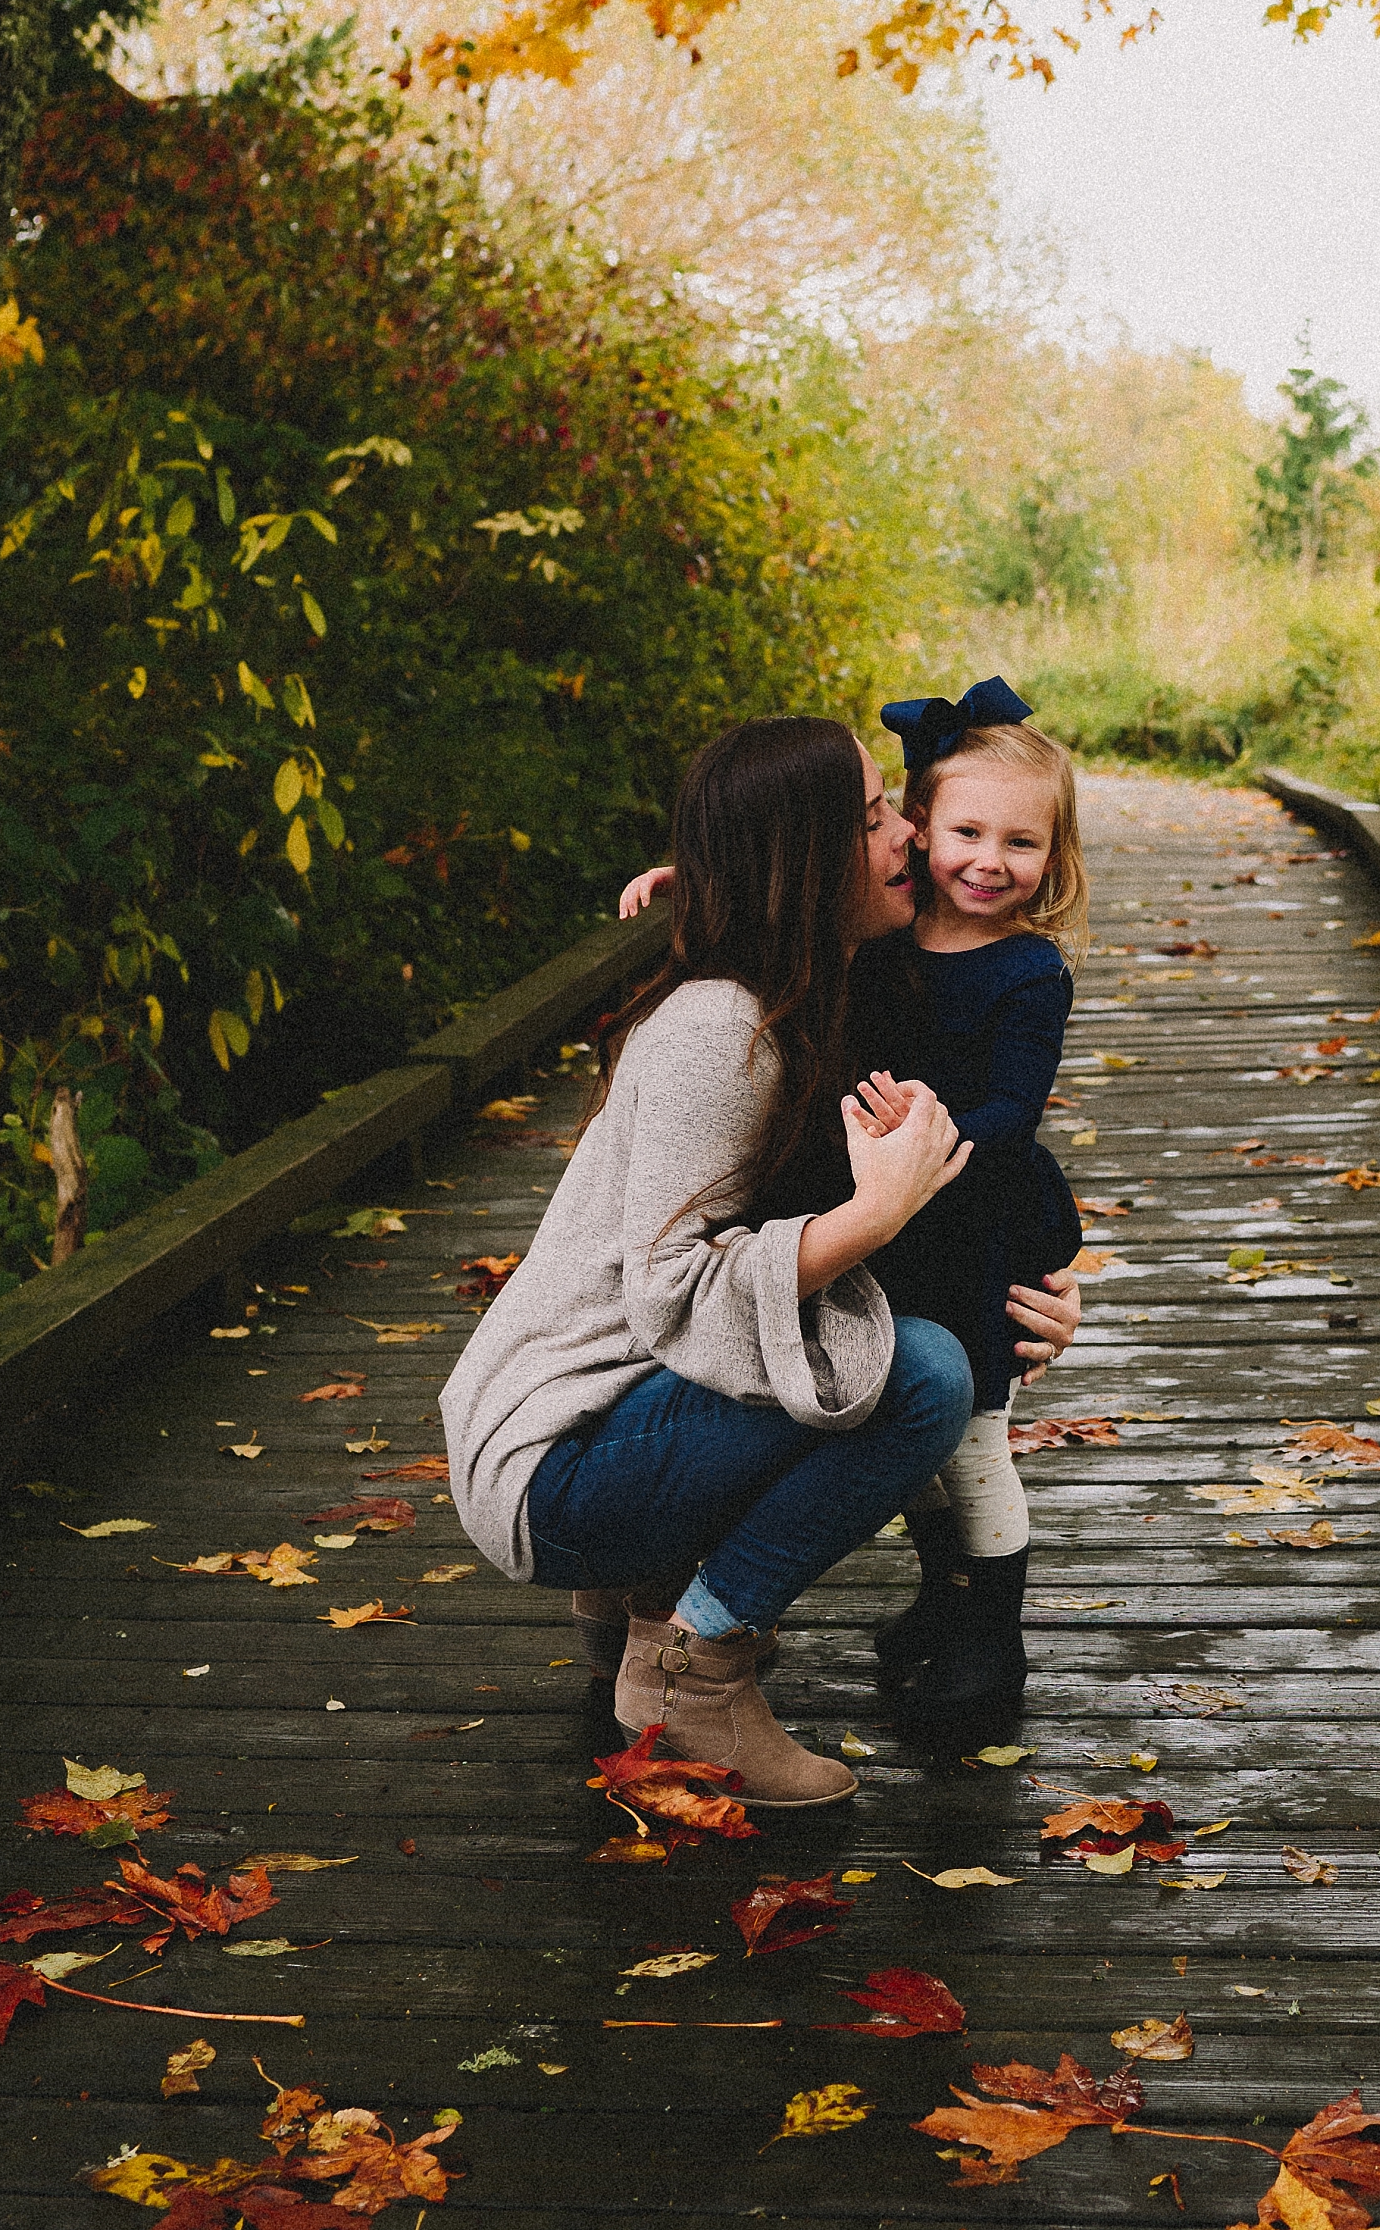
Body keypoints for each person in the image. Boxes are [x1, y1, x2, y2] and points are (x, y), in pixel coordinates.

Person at [441, 717, 1080, 1807]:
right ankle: (696, 1667)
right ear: (814, 859)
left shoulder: (819, 985)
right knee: (918, 1374)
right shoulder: (719, 1033)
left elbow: (977, 1132)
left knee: (911, 1349)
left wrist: (1039, 1271)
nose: (911, 835)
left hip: (609, 1419)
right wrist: (877, 1218)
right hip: (551, 1463)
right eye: (881, 816)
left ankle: (641, 1614)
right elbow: (674, 1289)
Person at [861, 680, 1087, 1738]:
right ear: (917, 826)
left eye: (1022, 840)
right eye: (965, 830)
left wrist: (927, 1124)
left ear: (1055, 853)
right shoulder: (881, 940)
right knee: (915, 1424)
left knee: (976, 1435)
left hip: (978, 1219)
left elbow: (1014, 1106)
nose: (990, 860)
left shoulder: (1029, 970)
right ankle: (942, 1595)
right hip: (890, 1222)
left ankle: (994, 1635)